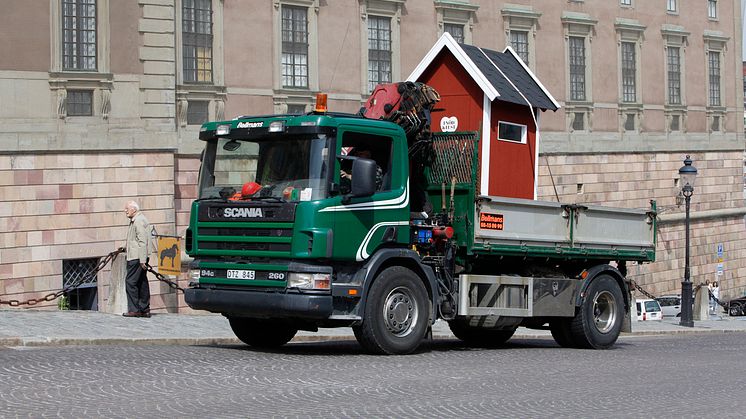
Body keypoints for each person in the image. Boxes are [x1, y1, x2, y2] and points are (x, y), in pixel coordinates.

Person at [123, 201, 151, 318]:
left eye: (127, 208)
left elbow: (142, 241)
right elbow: (135, 239)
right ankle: (144, 309)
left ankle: (134, 309)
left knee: (130, 282)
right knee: (141, 282)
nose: (125, 210)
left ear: (134, 209)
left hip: (137, 257)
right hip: (140, 256)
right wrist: (124, 247)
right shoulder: (139, 219)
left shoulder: (138, 221)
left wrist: (142, 260)